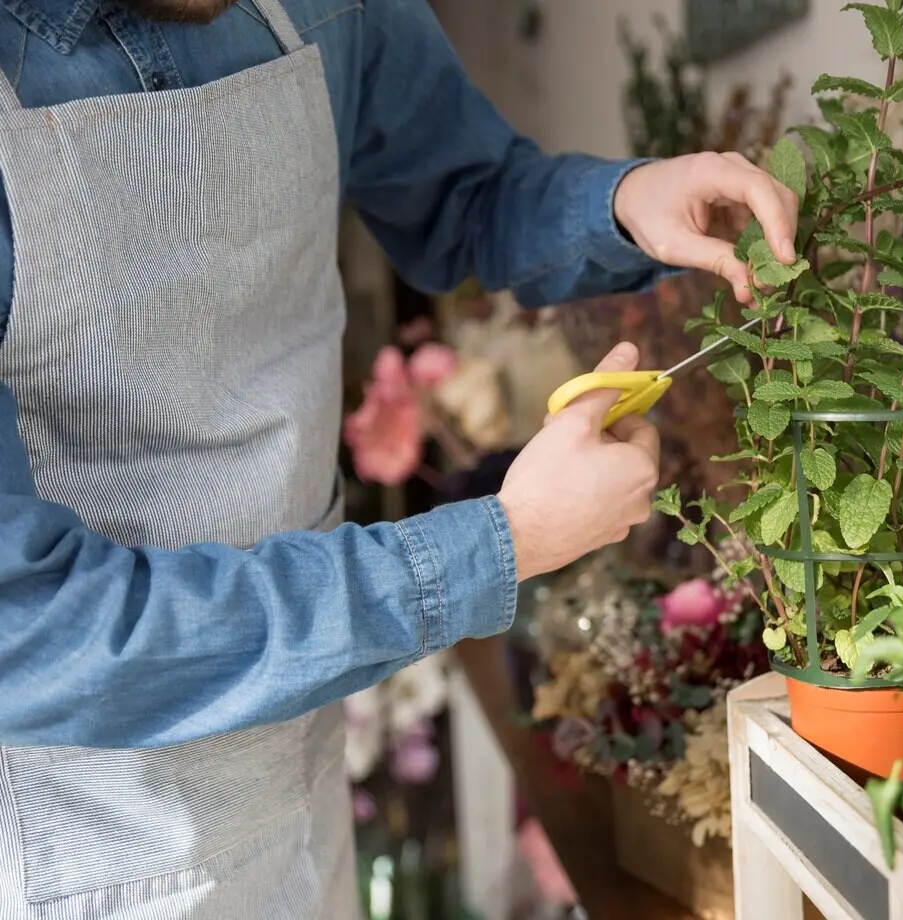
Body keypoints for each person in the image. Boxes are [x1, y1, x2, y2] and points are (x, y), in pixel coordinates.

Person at [0, 0, 798, 914]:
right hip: (74, 848)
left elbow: (466, 192)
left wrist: (623, 202)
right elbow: (30, 632)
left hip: (299, 793)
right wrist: (500, 543)